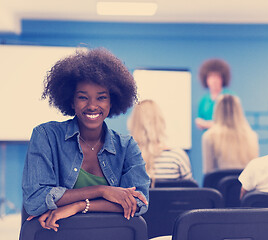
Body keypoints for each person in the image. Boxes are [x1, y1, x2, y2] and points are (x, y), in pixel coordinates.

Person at [22, 48, 150, 232]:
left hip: (109, 235)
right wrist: (102, 191)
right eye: (83, 97)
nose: (92, 105)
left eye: (101, 98)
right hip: (59, 235)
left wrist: (79, 205)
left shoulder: (126, 146)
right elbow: (35, 200)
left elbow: (139, 202)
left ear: (111, 102)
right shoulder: (46, 136)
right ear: (71, 101)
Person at [127, 99, 193, 187]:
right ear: (161, 122)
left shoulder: (125, 160)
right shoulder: (177, 157)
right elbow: (191, 194)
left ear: (133, 124)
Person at [202, 94, 259, 174]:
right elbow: (254, 172)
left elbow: (208, 172)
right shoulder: (252, 136)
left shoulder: (209, 136)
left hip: (219, 186)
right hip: (245, 186)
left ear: (217, 110)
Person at [195, 58, 232, 130]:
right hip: (208, 139)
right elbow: (199, 121)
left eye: (217, 77)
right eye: (211, 76)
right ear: (206, 79)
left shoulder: (229, 97)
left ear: (223, 78)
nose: (214, 80)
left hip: (225, 139)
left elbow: (231, 123)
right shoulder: (204, 100)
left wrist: (206, 124)